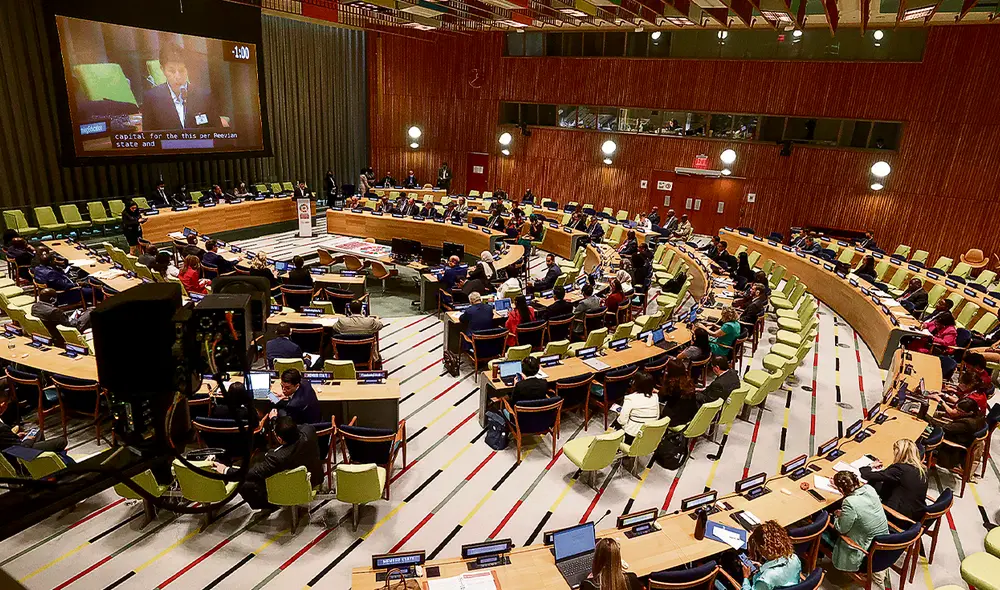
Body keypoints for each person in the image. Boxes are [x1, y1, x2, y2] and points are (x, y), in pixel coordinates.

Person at [213, 416, 322, 509]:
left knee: (245, 484)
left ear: (279, 439)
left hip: (291, 488)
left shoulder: (277, 457)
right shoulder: (309, 431)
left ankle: (271, 505)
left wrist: (226, 470)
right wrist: (275, 419)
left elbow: (252, 474)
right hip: (315, 478)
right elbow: (298, 427)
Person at [141, 42, 223, 131]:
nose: (178, 76)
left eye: (181, 70)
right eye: (172, 71)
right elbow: (149, 137)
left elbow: (217, 133)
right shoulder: (152, 98)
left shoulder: (204, 96)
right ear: (162, 70)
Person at [828, 471, 889, 577]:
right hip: (885, 543)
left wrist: (836, 516)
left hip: (864, 551)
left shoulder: (849, 502)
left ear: (841, 490)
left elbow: (841, 529)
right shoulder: (869, 489)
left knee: (825, 525)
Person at [859, 439, 929, 522]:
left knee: (866, 488)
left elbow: (866, 475)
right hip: (915, 513)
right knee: (876, 483)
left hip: (899, 517)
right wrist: (886, 472)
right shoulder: (922, 469)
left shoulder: (899, 469)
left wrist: (870, 465)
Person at [740, 520, 802, 590]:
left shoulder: (764, 580)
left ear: (763, 548)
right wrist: (762, 567)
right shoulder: (794, 558)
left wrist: (746, 578)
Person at [932, 398, 987, 469]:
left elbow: (944, 427)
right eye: (956, 408)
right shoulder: (978, 416)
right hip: (956, 442)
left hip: (950, 452)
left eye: (959, 411)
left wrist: (925, 416)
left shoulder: (967, 423)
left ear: (970, 412)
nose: (955, 411)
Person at [617, 371, 659, 444]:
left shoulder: (630, 399)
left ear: (635, 384)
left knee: (617, 419)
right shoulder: (655, 397)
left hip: (632, 435)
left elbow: (622, 421)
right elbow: (657, 416)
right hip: (649, 433)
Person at [660, 358, 697, 424]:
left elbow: (662, 399)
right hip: (689, 416)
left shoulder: (671, 385)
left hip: (674, 419)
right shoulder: (689, 381)